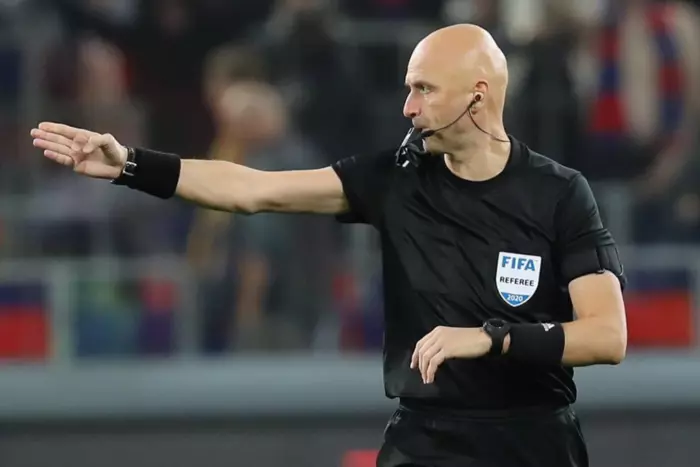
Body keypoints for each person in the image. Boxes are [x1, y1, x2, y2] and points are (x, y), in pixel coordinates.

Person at [30, 24, 627, 467]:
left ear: (477, 94)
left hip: (536, 440)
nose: (408, 107)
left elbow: (607, 336)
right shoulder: (393, 181)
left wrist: (491, 338)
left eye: (424, 90)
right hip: (428, 441)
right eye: (408, 89)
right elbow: (254, 190)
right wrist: (131, 165)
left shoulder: (559, 192)